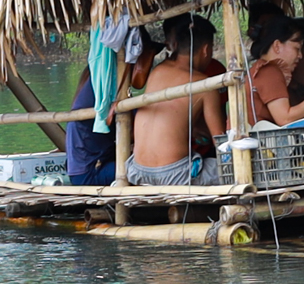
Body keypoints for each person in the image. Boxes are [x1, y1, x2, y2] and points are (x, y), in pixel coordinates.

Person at [129, 15, 228, 186]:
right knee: (237, 168)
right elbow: (220, 144)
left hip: (136, 171)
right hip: (175, 174)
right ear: (206, 50)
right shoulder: (204, 84)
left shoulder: (157, 71)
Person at [66, 28, 158, 186]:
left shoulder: (101, 80)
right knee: (156, 166)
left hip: (86, 169)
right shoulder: (106, 90)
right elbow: (141, 130)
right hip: (92, 172)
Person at [242, 16, 304, 126]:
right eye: (297, 48)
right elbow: (285, 119)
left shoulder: (259, 69)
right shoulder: (269, 71)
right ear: (277, 46)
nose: (300, 56)